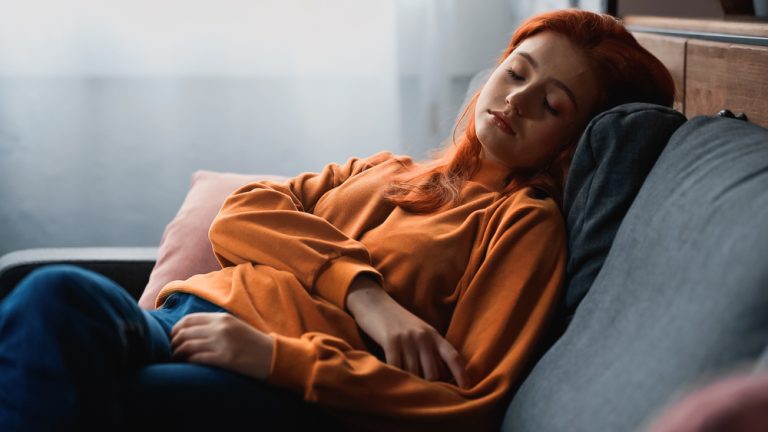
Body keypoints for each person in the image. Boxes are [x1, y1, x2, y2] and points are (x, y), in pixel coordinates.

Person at [0, 9, 674, 432]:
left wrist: (275, 358)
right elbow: (241, 215)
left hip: (284, 386)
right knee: (51, 295)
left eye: (552, 104)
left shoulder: (524, 226)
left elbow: (473, 403)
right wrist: (368, 297)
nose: (517, 100)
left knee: (106, 395)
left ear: (572, 141)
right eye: (516, 72)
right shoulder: (385, 168)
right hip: (182, 318)